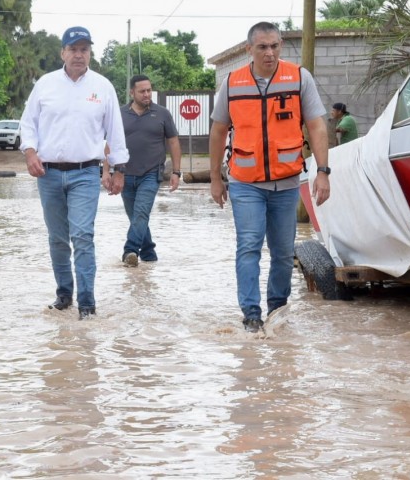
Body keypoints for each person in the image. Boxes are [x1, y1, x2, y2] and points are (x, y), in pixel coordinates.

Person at [209, 22, 330, 333]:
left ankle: (277, 309)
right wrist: (215, 178)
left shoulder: (300, 78)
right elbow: (218, 131)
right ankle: (251, 314)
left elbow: (316, 126)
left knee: (282, 251)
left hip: (287, 183)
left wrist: (323, 172)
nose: (270, 52)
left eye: (275, 45)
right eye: (262, 46)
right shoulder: (232, 83)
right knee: (248, 246)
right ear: (249, 49)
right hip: (245, 182)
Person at [20, 26, 128, 320]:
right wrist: (30, 152)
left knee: (82, 235)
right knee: (57, 238)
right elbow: (27, 124)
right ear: (63, 53)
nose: (79, 55)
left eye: (84, 49)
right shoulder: (45, 84)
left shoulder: (103, 87)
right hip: (49, 174)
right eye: (74, 49)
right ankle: (64, 294)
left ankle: (88, 303)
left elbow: (115, 132)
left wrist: (118, 170)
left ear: (89, 53)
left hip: (85, 174)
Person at [103, 74, 182, 266]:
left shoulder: (162, 113)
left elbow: (173, 141)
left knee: (141, 213)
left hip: (151, 173)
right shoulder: (119, 114)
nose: (147, 94)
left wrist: (176, 172)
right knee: (136, 217)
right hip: (124, 174)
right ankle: (148, 254)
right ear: (132, 92)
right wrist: (107, 171)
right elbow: (108, 144)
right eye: (142, 91)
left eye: (149, 90)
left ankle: (130, 251)